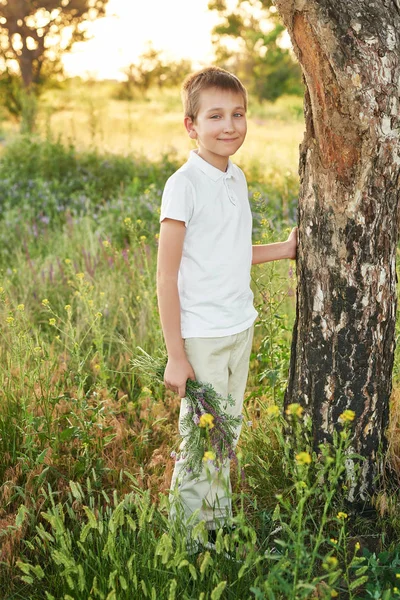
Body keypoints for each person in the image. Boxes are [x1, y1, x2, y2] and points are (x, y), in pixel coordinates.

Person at [157, 66, 297, 539]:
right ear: (191, 125)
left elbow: (231, 253)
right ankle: (188, 543)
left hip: (240, 326)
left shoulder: (235, 177)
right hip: (202, 337)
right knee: (201, 441)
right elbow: (167, 274)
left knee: (226, 436)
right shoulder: (184, 184)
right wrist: (176, 355)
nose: (230, 126)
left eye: (238, 114)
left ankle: (216, 525)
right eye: (215, 115)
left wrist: (283, 249)